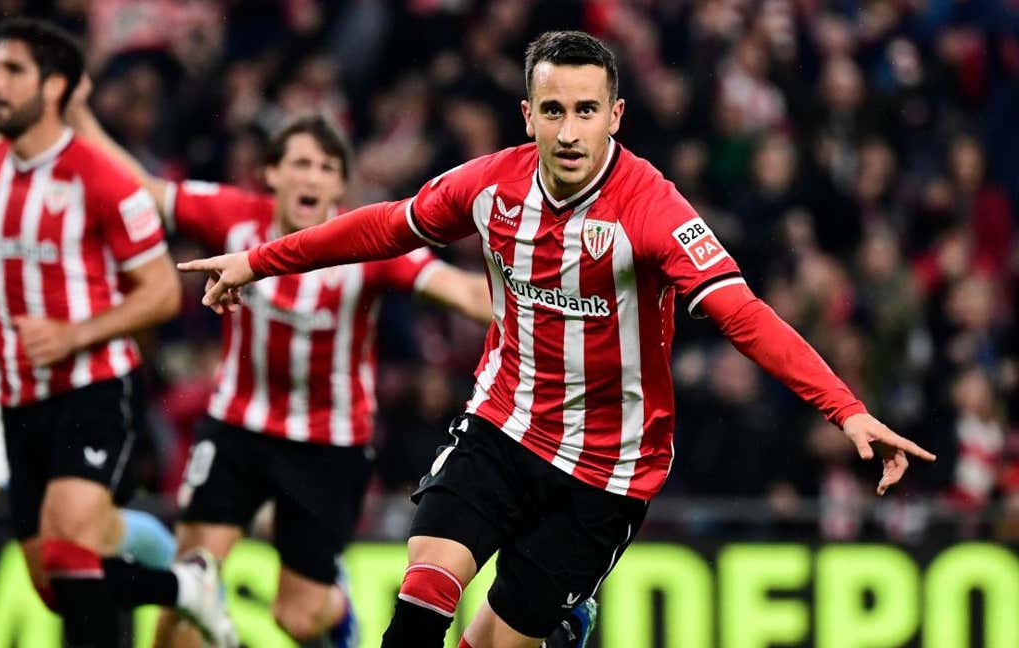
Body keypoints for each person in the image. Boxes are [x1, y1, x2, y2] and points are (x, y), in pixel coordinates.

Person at [178, 31, 937, 647]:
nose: (569, 132)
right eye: (553, 111)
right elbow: (384, 226)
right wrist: (256, 260)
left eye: (585, 111)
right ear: (528, 115)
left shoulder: (654, 211)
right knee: (423, 591)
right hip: (503, 424)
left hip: (608, 468)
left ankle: (563, 619)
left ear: (616, 115)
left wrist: (846, 410)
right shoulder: (490, 185)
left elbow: (743, 314)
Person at [68, 94, 497, 646]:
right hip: (237, 428)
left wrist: (543, 299)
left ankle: (335, 607)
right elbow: (141, 189)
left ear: (340, 186)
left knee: (295, 618)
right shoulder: (235, 219)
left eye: (325, 167)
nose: (311, 177)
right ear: (271, 173)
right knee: (188, 592)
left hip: (328, 445)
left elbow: (459, 289)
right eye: (299, 163)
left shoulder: (366, 244)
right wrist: (77, 114)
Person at [0, 18, 229, 647]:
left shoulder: (102, 178)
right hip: (19, 399)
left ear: (53, 89)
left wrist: (77, 334)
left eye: (10, 71)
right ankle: (185, 587)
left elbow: (160, 290)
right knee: (53, 581)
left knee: (72, 547)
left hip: (94, 387)